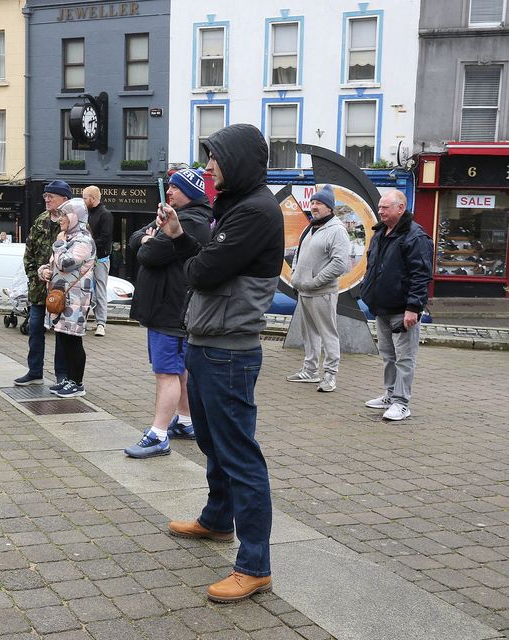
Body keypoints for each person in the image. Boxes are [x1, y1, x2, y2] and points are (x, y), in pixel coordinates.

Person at [159, 123, 283, 603]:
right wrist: (179, 236)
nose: (208, 167)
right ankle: (216, 519)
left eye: (214, 158)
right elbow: (205, 264)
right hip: (210, 344)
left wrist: (184, 249)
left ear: (238, 161)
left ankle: (255, 565)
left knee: (240, 456)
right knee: (212, 440)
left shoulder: (255, 212)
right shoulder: (239, 207)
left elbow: (203, 273)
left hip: (229, 351)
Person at [124, 168, 213, 459]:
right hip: (168, 306)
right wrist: (148, 237)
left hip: (170, 308)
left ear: (191, 192)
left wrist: (149, 241)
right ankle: (186, 422)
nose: (169, 191)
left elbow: (146, 254)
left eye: (175, 187)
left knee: (167, 372)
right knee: (179, 370)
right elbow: (135, 237)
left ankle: (158, 434)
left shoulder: (192, 221)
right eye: (170, 186)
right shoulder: (175, 216)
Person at [360, 190, 433, 421]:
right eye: (380, 207)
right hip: (381, 308)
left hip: (402, 310)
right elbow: (373, 267)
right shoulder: (381, 233)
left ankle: (402, 403)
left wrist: (413, 308)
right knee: (388, 355)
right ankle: (390, 395)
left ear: (400, 208)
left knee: (404, 357)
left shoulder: (415, 237)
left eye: (386, 207)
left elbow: (421, 275)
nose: (380, 211)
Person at [286, 184, 351, 392]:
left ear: (330, 208)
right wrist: (296, 275)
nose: (314, 206)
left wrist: (315, 281)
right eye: (313, 202)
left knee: (328, 333)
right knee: (309, 333)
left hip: (322, 292)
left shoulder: (337, 230)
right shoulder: (311, 226)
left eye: (319, 203)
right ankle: (310, 370)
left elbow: (339, 264)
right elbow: (298, 253)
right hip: (304, 290)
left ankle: (330, 375)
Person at [13, 180, 70, 387]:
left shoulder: (72, 222)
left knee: (61, 332)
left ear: (64, 199)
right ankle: (34, 371)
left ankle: (62, 375)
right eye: (45, 196)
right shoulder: (41, 220)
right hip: (38, 287)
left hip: (62, 289)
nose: (46, 199)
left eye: (51, 196)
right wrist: (33, 275)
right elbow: (29, 252)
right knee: (35, 328)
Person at [38, 197, 95, 398]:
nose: (60, 219)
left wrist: (59, 245)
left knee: (73, 341)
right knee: (63, 339)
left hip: (76, 299)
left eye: (64, 215)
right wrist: (43, 271)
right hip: (62, 296)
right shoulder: (66, 238)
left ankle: (77, 384)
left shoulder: (83, 240)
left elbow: (66, 264)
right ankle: (69, 380)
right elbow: (53, 265)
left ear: (75, 217)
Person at [82, 186, 113, 337]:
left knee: (100, 291)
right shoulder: (86, 213)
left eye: (85, 198)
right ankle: (87, 321)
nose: (83, 201)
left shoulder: (105, 215)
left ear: (92, 199)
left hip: (100, 258)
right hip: (88, 258)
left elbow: (105, 238)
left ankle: (101, 323)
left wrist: (86, 245)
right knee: (86, 290)